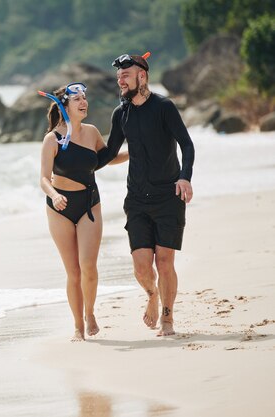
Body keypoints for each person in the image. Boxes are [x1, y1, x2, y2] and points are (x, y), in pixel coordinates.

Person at [96, 52, 195, 336]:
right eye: (118, 78)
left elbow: (187, 145)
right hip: (137, 199)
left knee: (164, 262)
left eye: (125, 76)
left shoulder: (164, 107)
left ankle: (167, 317)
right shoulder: (121, 114)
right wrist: (77, 165)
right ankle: (152, 294)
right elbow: (109, 153)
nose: (120, 82)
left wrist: (185, 177)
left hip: (168, 196)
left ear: (142, 75)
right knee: (141, 268)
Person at [40, 82, 128, 342]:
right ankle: (78, 325)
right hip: (60, 208)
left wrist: (135, 151)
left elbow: (106, 159)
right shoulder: (52, 139)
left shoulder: (91, 133)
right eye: (77, 99)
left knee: (88, 266)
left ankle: (90, 313)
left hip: (89, 203)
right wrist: (55, 195)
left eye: (84, 98)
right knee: (73, 272)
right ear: (64, 106)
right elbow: (44, 178)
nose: (83, 102)